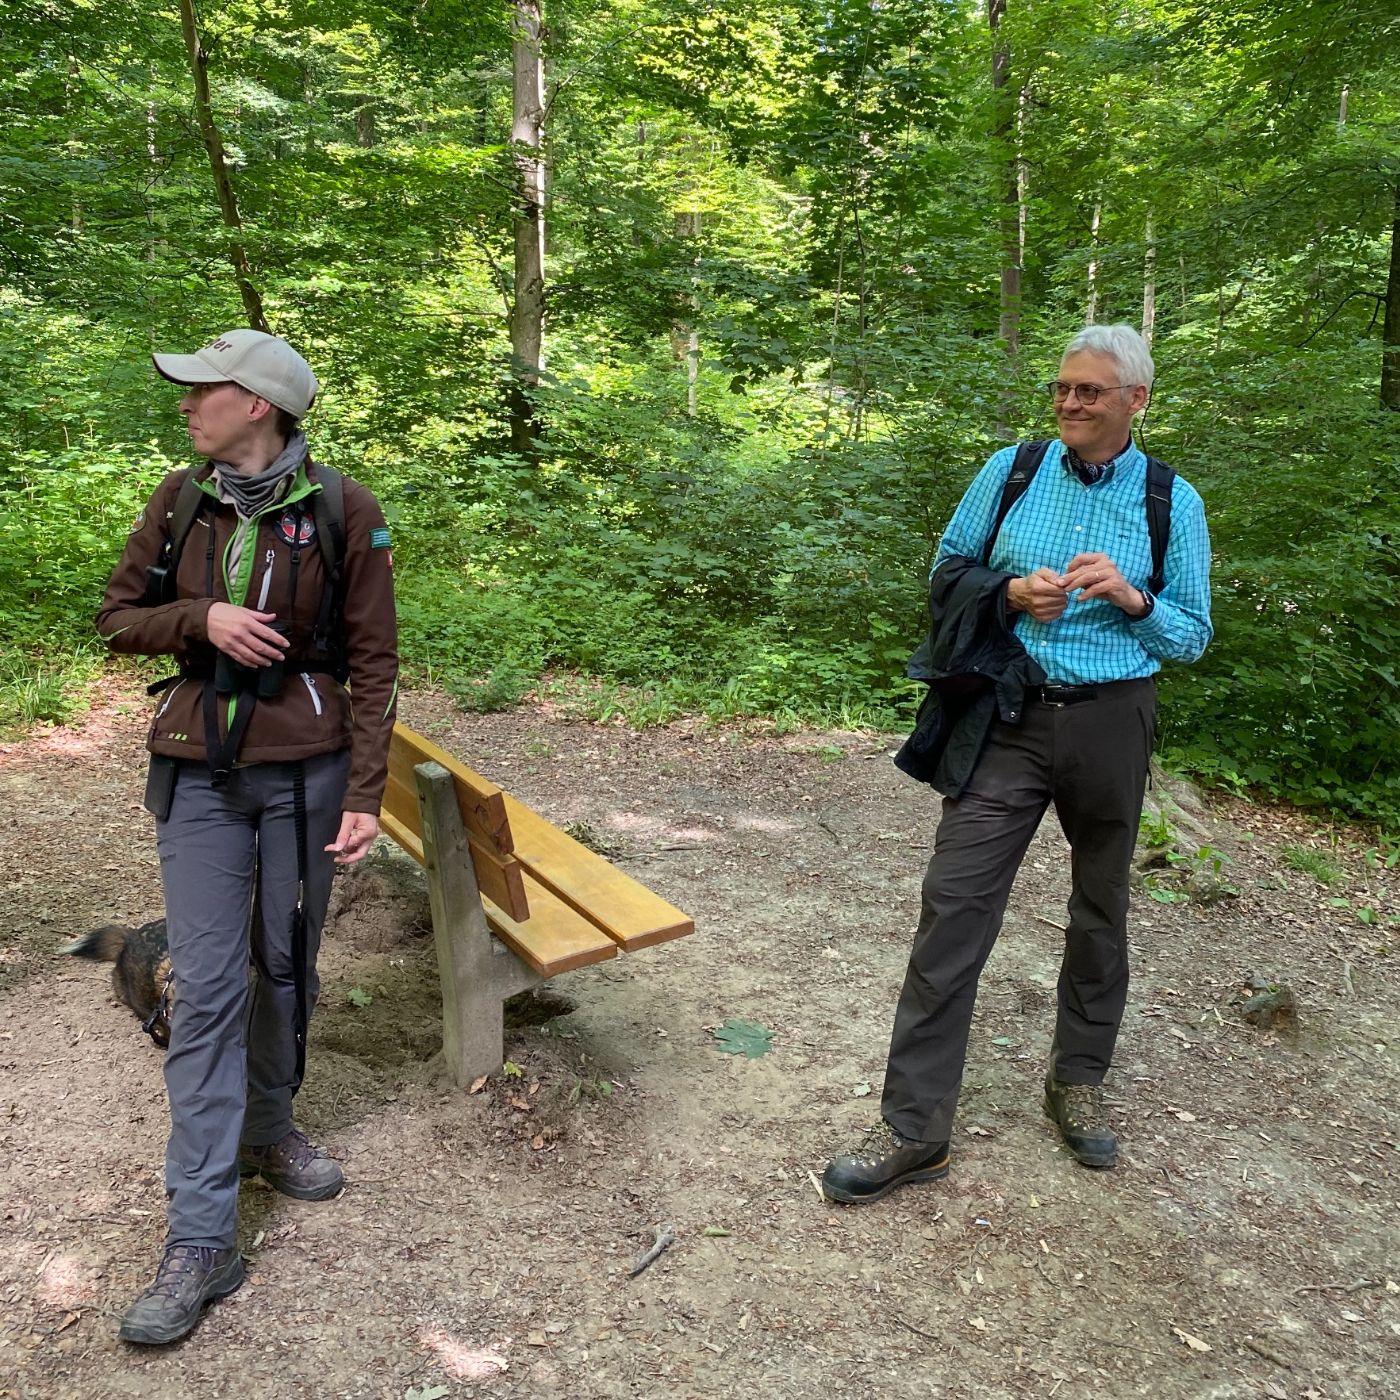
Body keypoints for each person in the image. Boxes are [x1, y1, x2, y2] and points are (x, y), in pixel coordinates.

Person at [822, 323, 1212, 1204]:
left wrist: (1132, 596)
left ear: (1136, 402)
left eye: (1091, 392)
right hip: (1006, 716)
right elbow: (944, 570)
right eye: (1063, 389)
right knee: (953, 909)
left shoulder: (1169, 501)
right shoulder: (1012, 471)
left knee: (1099, 909)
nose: (1071, 404)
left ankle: (1077, 1082)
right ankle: (915, 1130)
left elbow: (1190, 632)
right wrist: (1007, 592)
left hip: (1113, 722)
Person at [96, 328, 398, 1340]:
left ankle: (269, 1128)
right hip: (198, 775)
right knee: (214, 982)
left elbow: (374, 661)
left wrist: (366, 789)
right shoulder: (179, 501)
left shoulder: (345, 509)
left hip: (308, 775)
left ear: (259, 404)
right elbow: (113, 617)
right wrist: (201, 617)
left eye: (203, 390)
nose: (186, 404)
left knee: (285, 969)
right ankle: (200, 1237)